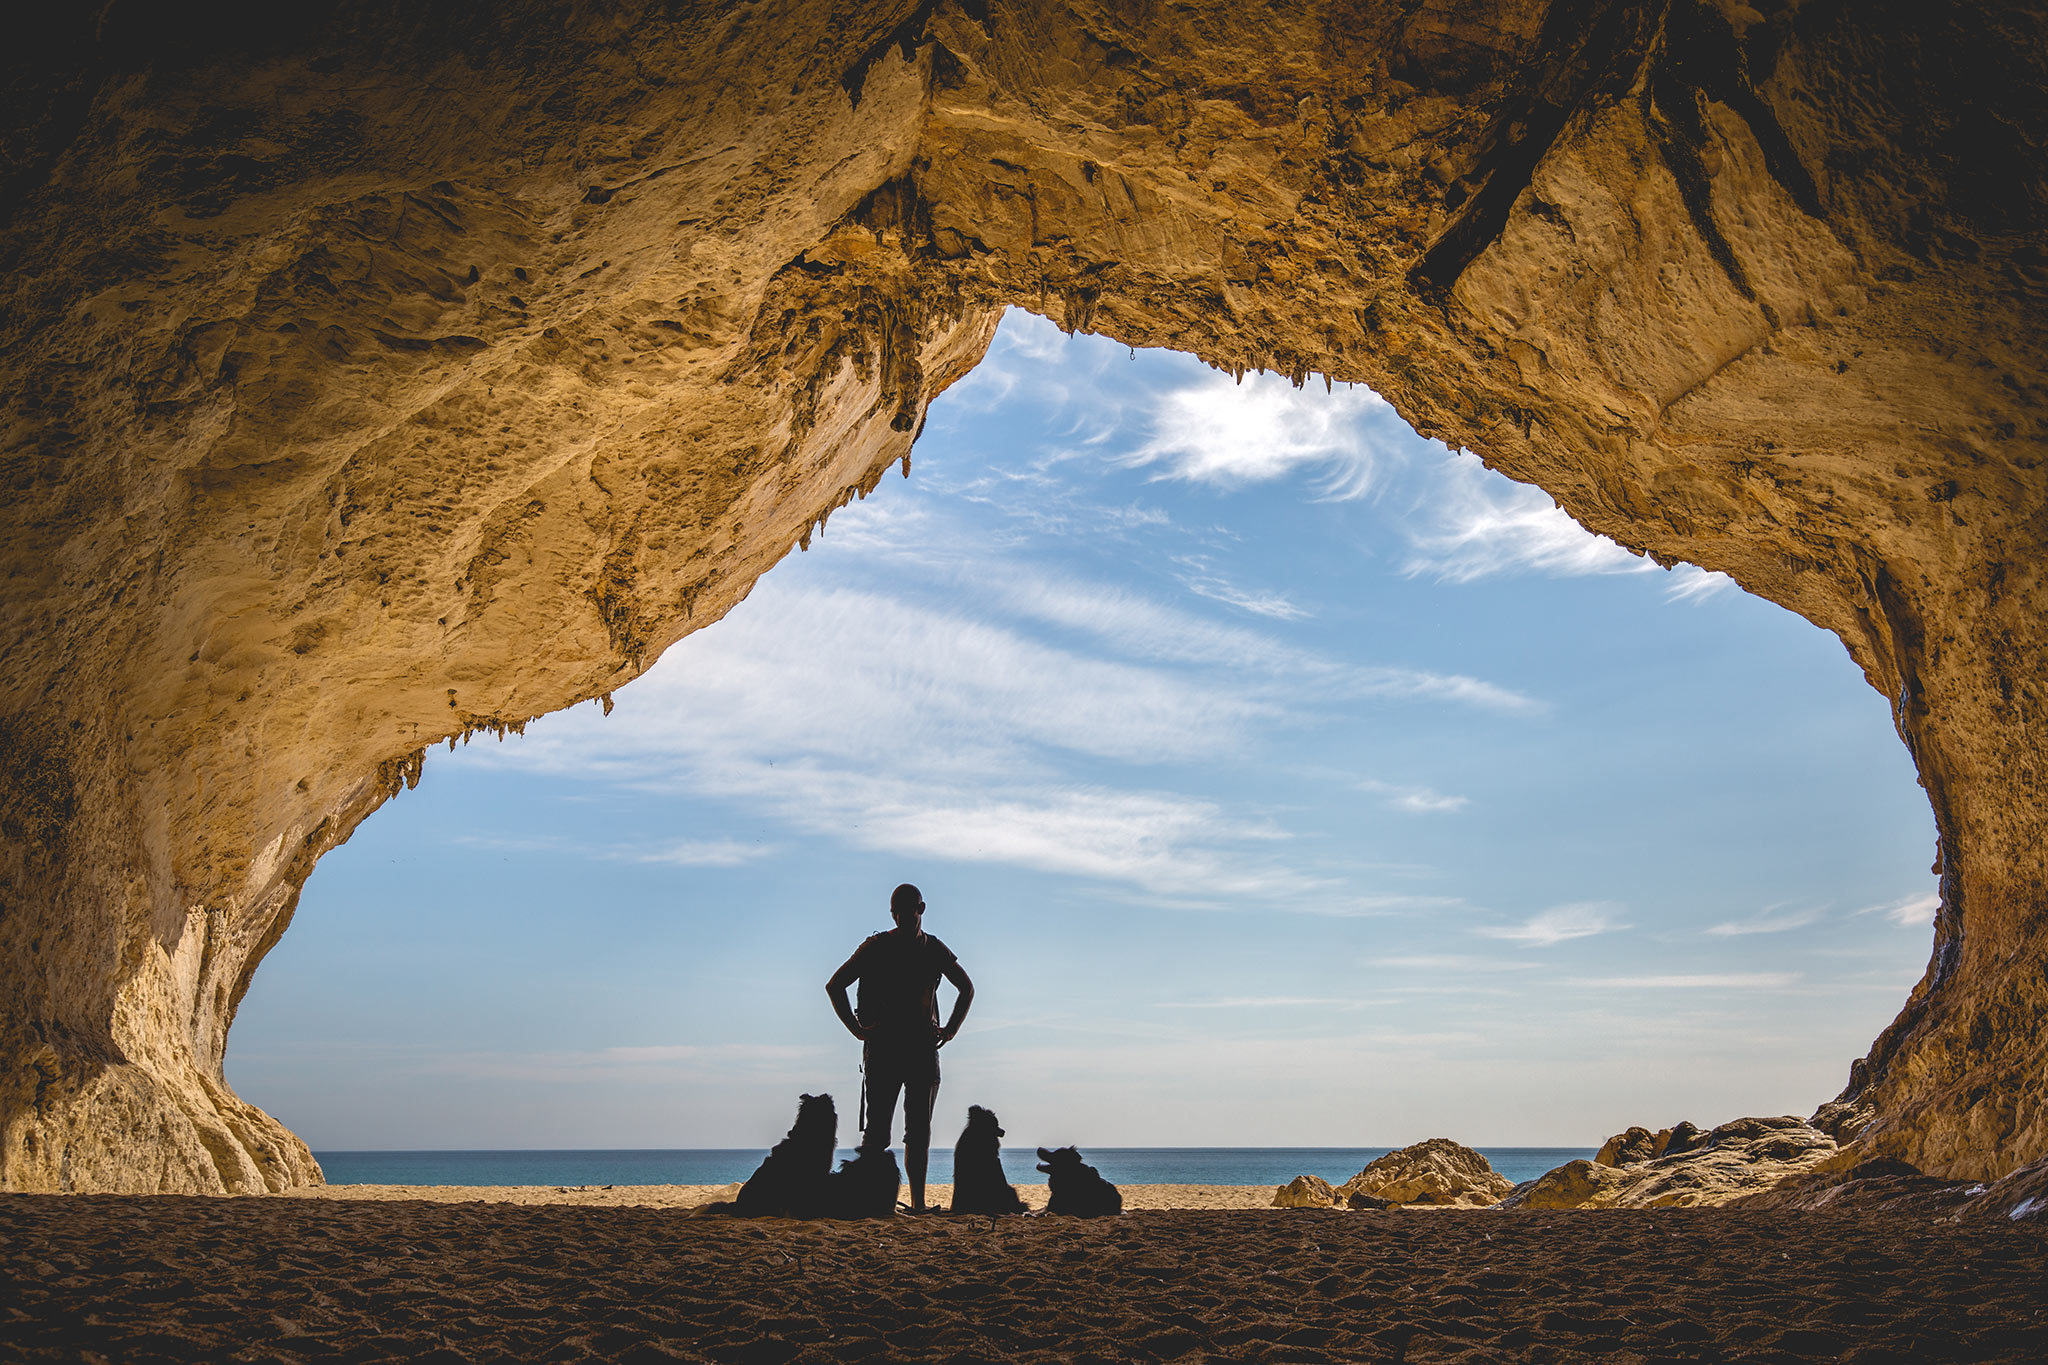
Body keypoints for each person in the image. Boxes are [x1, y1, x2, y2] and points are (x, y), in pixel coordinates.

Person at [826, 882, 974, 1212]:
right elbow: (835, 986)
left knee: (918, 1133)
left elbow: (966, 989)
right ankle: (871, 1201)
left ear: (921, 909)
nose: (902, 918)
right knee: (878, 1133)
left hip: (922, 1051)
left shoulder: (935, 949)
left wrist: (950, 1030)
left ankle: (918, 1204)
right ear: (892, 914)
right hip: (883, 1052)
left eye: (907, 912)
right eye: (896, 913)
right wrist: (857, 1030)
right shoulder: (875, 947)